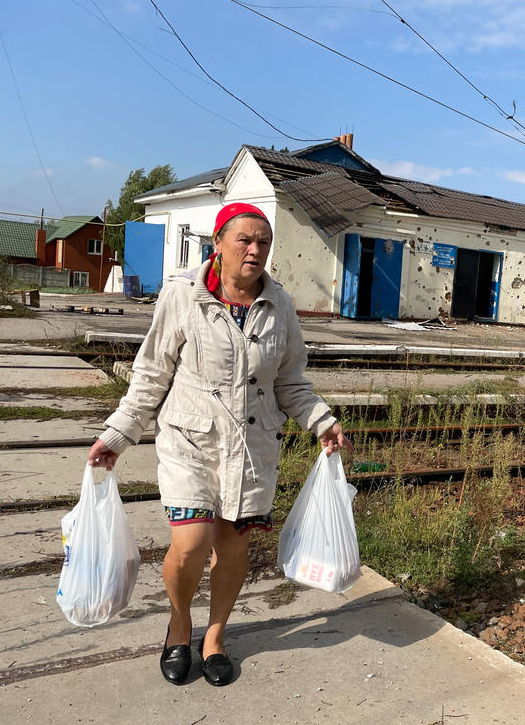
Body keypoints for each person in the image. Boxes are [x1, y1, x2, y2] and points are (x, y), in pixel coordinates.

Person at [87, 202, 351, 687]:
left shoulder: (281, 305)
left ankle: (215, 635)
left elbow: (290, 382)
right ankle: (180, 623)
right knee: (191, 543)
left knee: (231, 546)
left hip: (252, 446)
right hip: (190, 439)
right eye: (245, 240)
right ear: (218, 245)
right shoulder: (183, 295)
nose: (255, 250)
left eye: (264, 242)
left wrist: (321, 420)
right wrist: (120, 432)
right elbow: (152, 372)